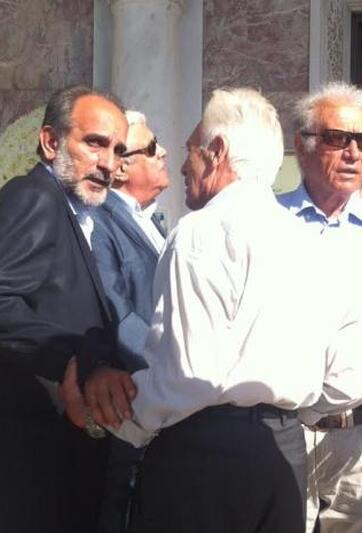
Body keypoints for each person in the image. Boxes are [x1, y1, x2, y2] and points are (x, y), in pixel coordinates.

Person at [97, 87, 362, 533]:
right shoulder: (300, 237)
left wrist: (119, 422)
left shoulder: (201, 232)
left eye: (191, 150)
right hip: (285, 450)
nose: (183, 166)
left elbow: (187, 375)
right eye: (337, 138)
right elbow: (332, 359)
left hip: (210, 453)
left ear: (217, 151)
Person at [0, 85, 136, 533]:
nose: (108, 163)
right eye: (95, 143)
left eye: (118, 150)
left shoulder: (73, 211)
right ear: (50, 142)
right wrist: (74, 362)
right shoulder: (34, 197)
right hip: (31, 467)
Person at [278, 81, 362, 533]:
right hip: (287, 433)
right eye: (337, 138)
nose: (353, 152)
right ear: (302, 145)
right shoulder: (267, 224)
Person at [91, 110, 169, 533]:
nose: (165, 153)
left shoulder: (151, 219)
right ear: (121, 167)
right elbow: (115, 311)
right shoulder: (101, 222)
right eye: (153, 148)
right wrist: (169, 370)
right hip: (130, 403)